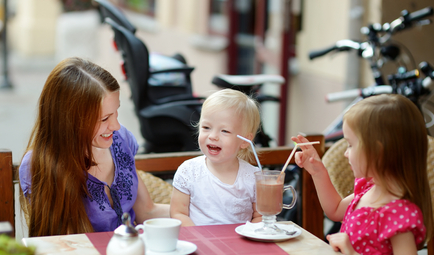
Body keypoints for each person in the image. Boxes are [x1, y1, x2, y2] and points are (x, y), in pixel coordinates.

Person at [292, 94, 433, 255]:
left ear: (377, 151)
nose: (345, 153)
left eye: (350, 144)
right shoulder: (369, 189)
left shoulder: (398, 213)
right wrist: (317, 171)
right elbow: (335, 209)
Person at [19, 57, 169, 237]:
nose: (116, 126)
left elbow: (147, 212)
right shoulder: (39, 165)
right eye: (104, 119)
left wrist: (199, 206)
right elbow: (63, 243)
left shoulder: (120, 140)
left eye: (116, 112)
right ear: (70, 121)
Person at [170, 89, 263, 226]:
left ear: (244, 141)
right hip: (199, 243)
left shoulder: (254, 177)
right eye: (206, 127)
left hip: (240, 244)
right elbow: (178, 213)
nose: (213, 136)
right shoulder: (188, 171)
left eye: (224, 130)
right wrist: (201, 239)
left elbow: (260, 216)